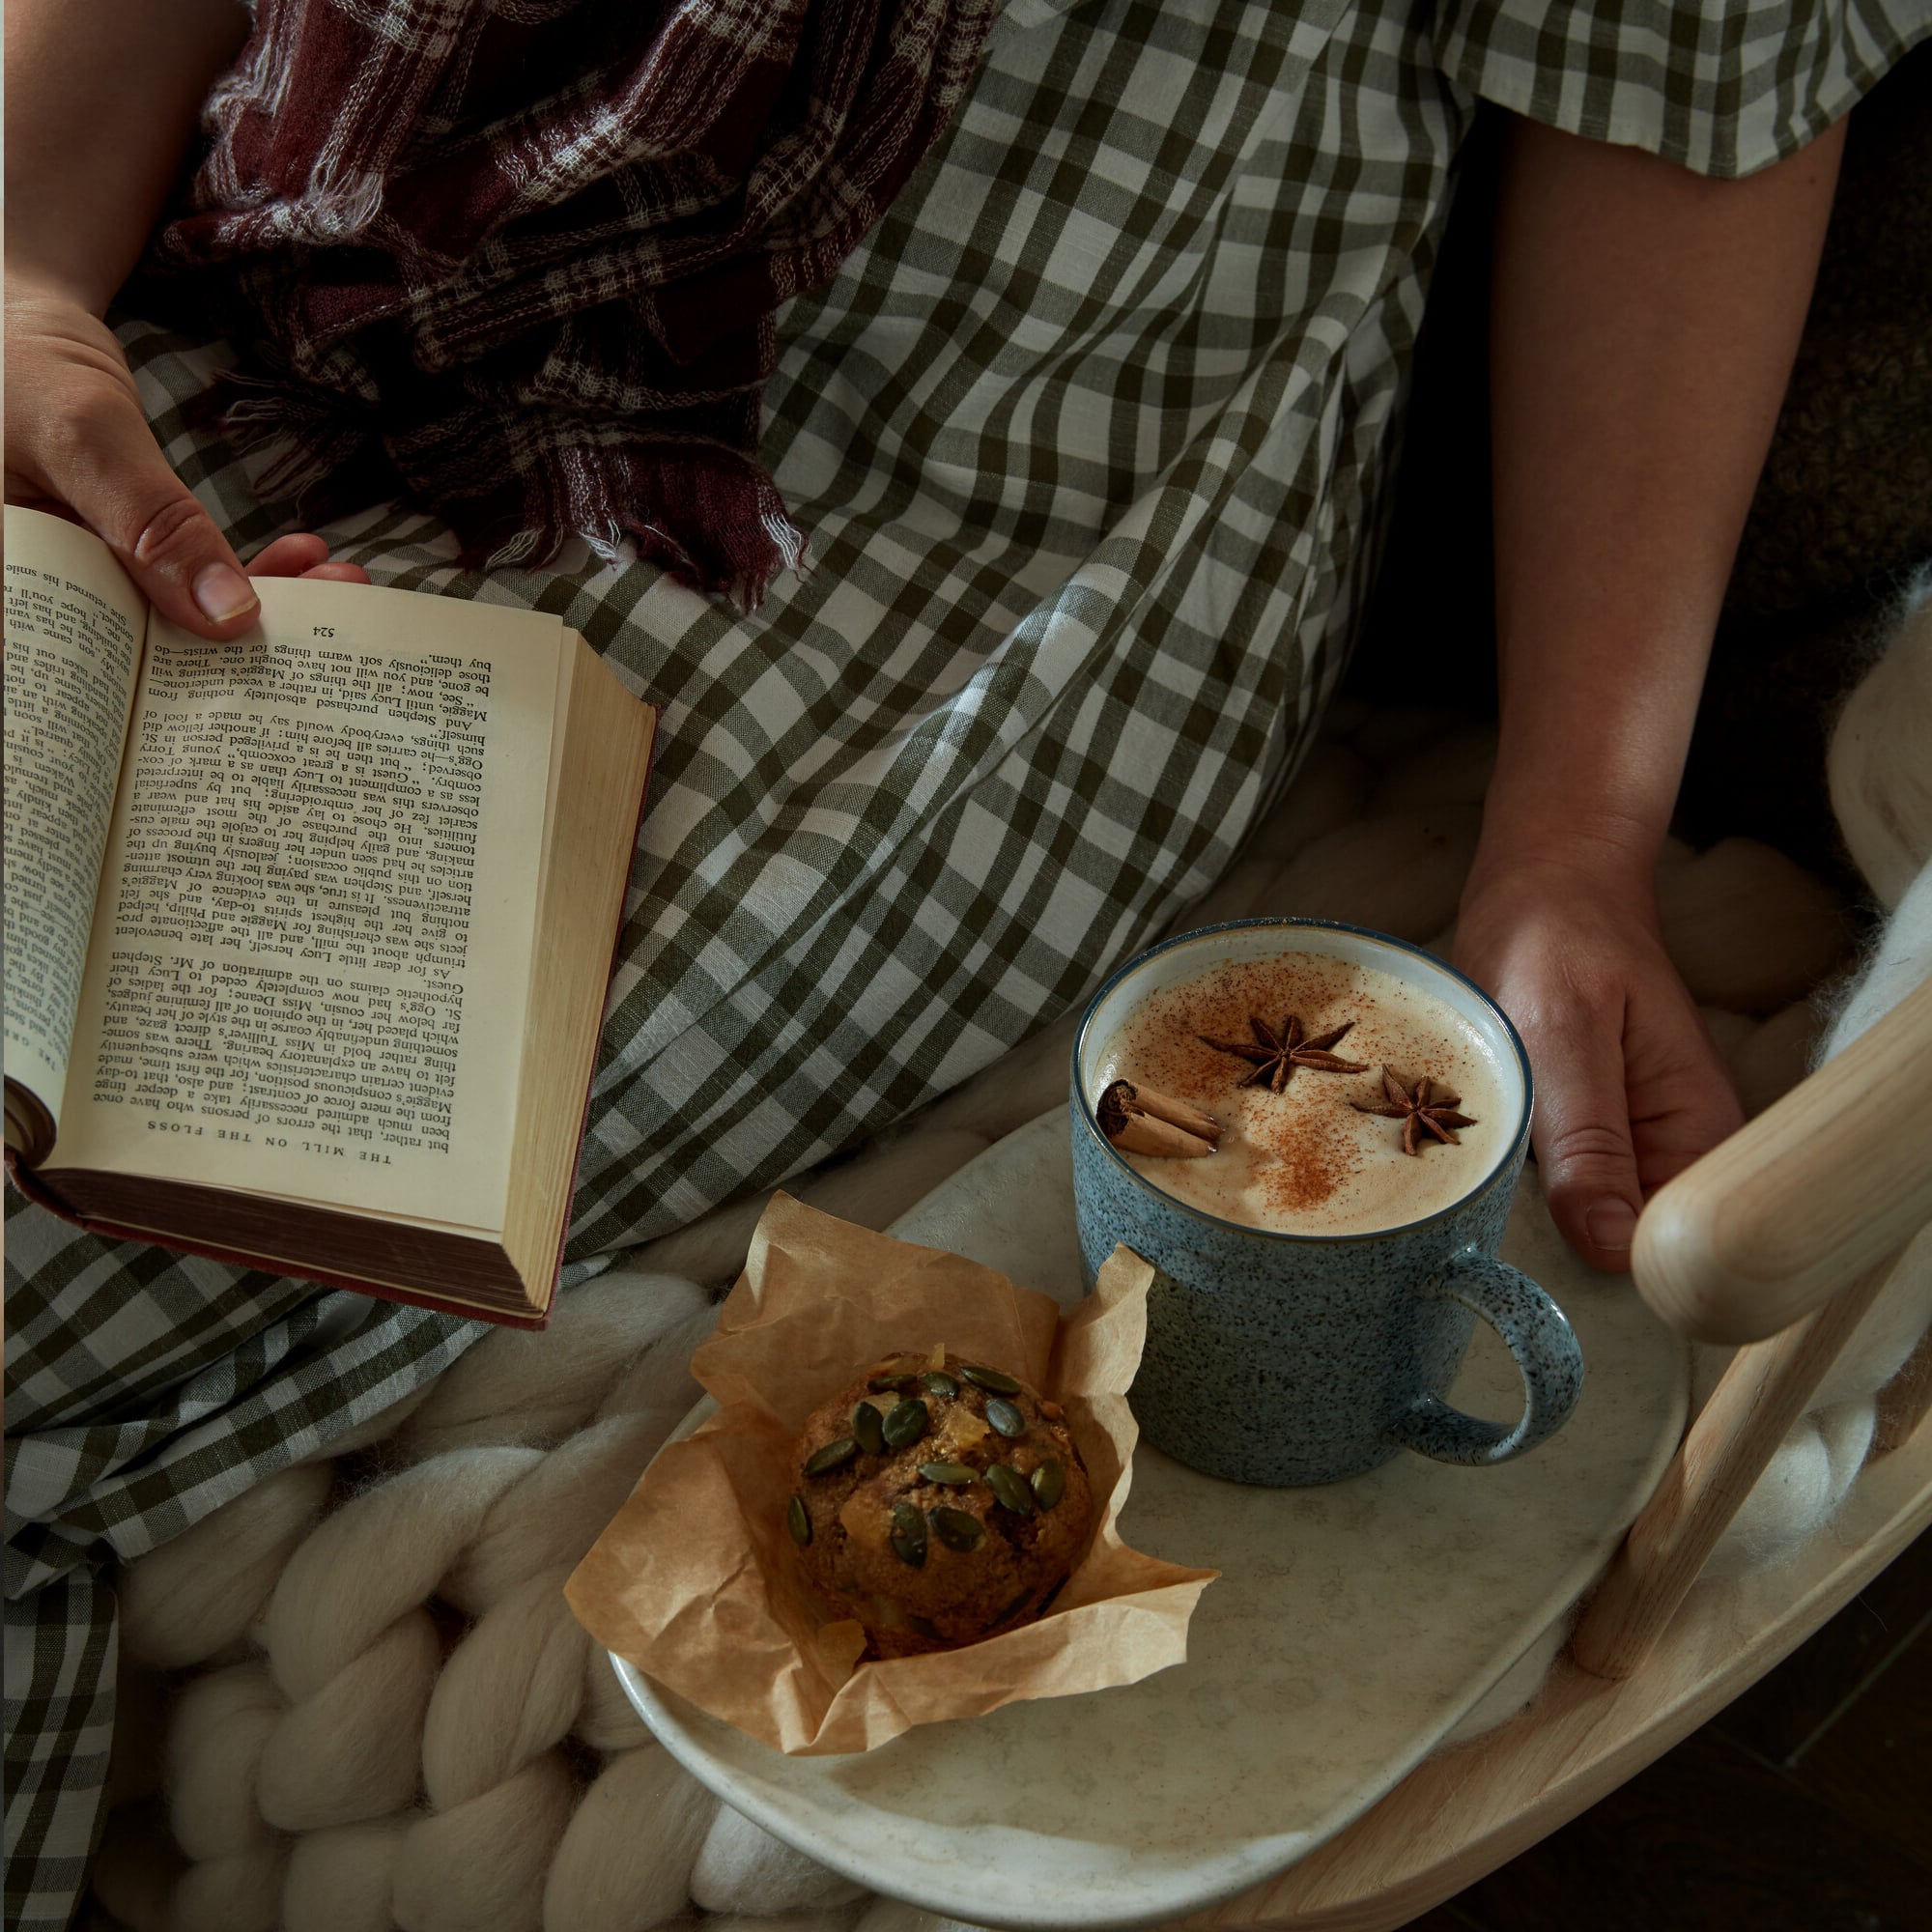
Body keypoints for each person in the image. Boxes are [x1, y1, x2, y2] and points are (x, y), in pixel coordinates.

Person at [6, 2, 1924, 1925]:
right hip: (238, 303)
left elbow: (1689, 82)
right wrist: (20, 271)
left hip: (901, 535)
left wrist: (1574, 837)